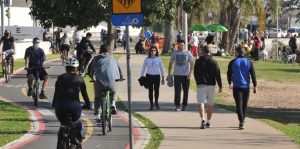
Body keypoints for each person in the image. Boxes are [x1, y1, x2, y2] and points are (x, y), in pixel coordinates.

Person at [52, 57, 91, 148]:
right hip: (75, 107)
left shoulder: (60, 78)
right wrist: (88, 105)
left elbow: (56, 93)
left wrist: (54, 104)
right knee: (76, 124)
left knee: (62, 125)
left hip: (60, 107)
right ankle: (76, 143)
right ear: (76, 68)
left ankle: (60, 141)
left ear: (66, 68)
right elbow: (85, 95)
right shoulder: (79, 79)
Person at [89, 44, 123, 122]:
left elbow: (91, 72)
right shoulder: (113, 58)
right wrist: (121, 78)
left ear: (100, 50)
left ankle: (97, 115)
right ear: (108, 50)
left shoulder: (96, 59)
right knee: (114, 91)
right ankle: (113, 103)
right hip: (112, 83)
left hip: (99, 83)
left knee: (97, 97)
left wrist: (93, 78)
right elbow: (120, 71)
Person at [227, 46, 257, 130]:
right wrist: (255, 85)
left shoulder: (233, 62)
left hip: (236, 86)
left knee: (238, 104)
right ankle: (243, 120)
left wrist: (230, 83)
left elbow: (229, 73)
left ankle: (241, 121)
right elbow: (253, 74)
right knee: (244, 104)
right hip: (246, 86)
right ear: (244, 53)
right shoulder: (248, 62)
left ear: (237, 52)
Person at [194, 46, 222, 129]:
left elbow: (195, 73)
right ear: (210, 52)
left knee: (201, 103)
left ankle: (203, 119)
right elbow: (217, 74)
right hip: (211, 85)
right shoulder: (214, 61)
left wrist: (197, 81)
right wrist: (220, 85)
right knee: (210, 104)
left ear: (203, 52)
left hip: (201, 84)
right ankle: (209, 121)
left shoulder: (198, 61)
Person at [167, 40, 194, 111]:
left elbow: (192, 64)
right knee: (177, 91)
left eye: (183, 45)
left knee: (186, 91)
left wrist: (190, 73)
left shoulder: (188, 53)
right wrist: (169, 73)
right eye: (180, 45)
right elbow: (170, 63)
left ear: (184, 46)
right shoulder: (174, 53)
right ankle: (177, 105)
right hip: (177, 75)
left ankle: (184, 105)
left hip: (186, 75)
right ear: (178, 45)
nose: (181, 46)